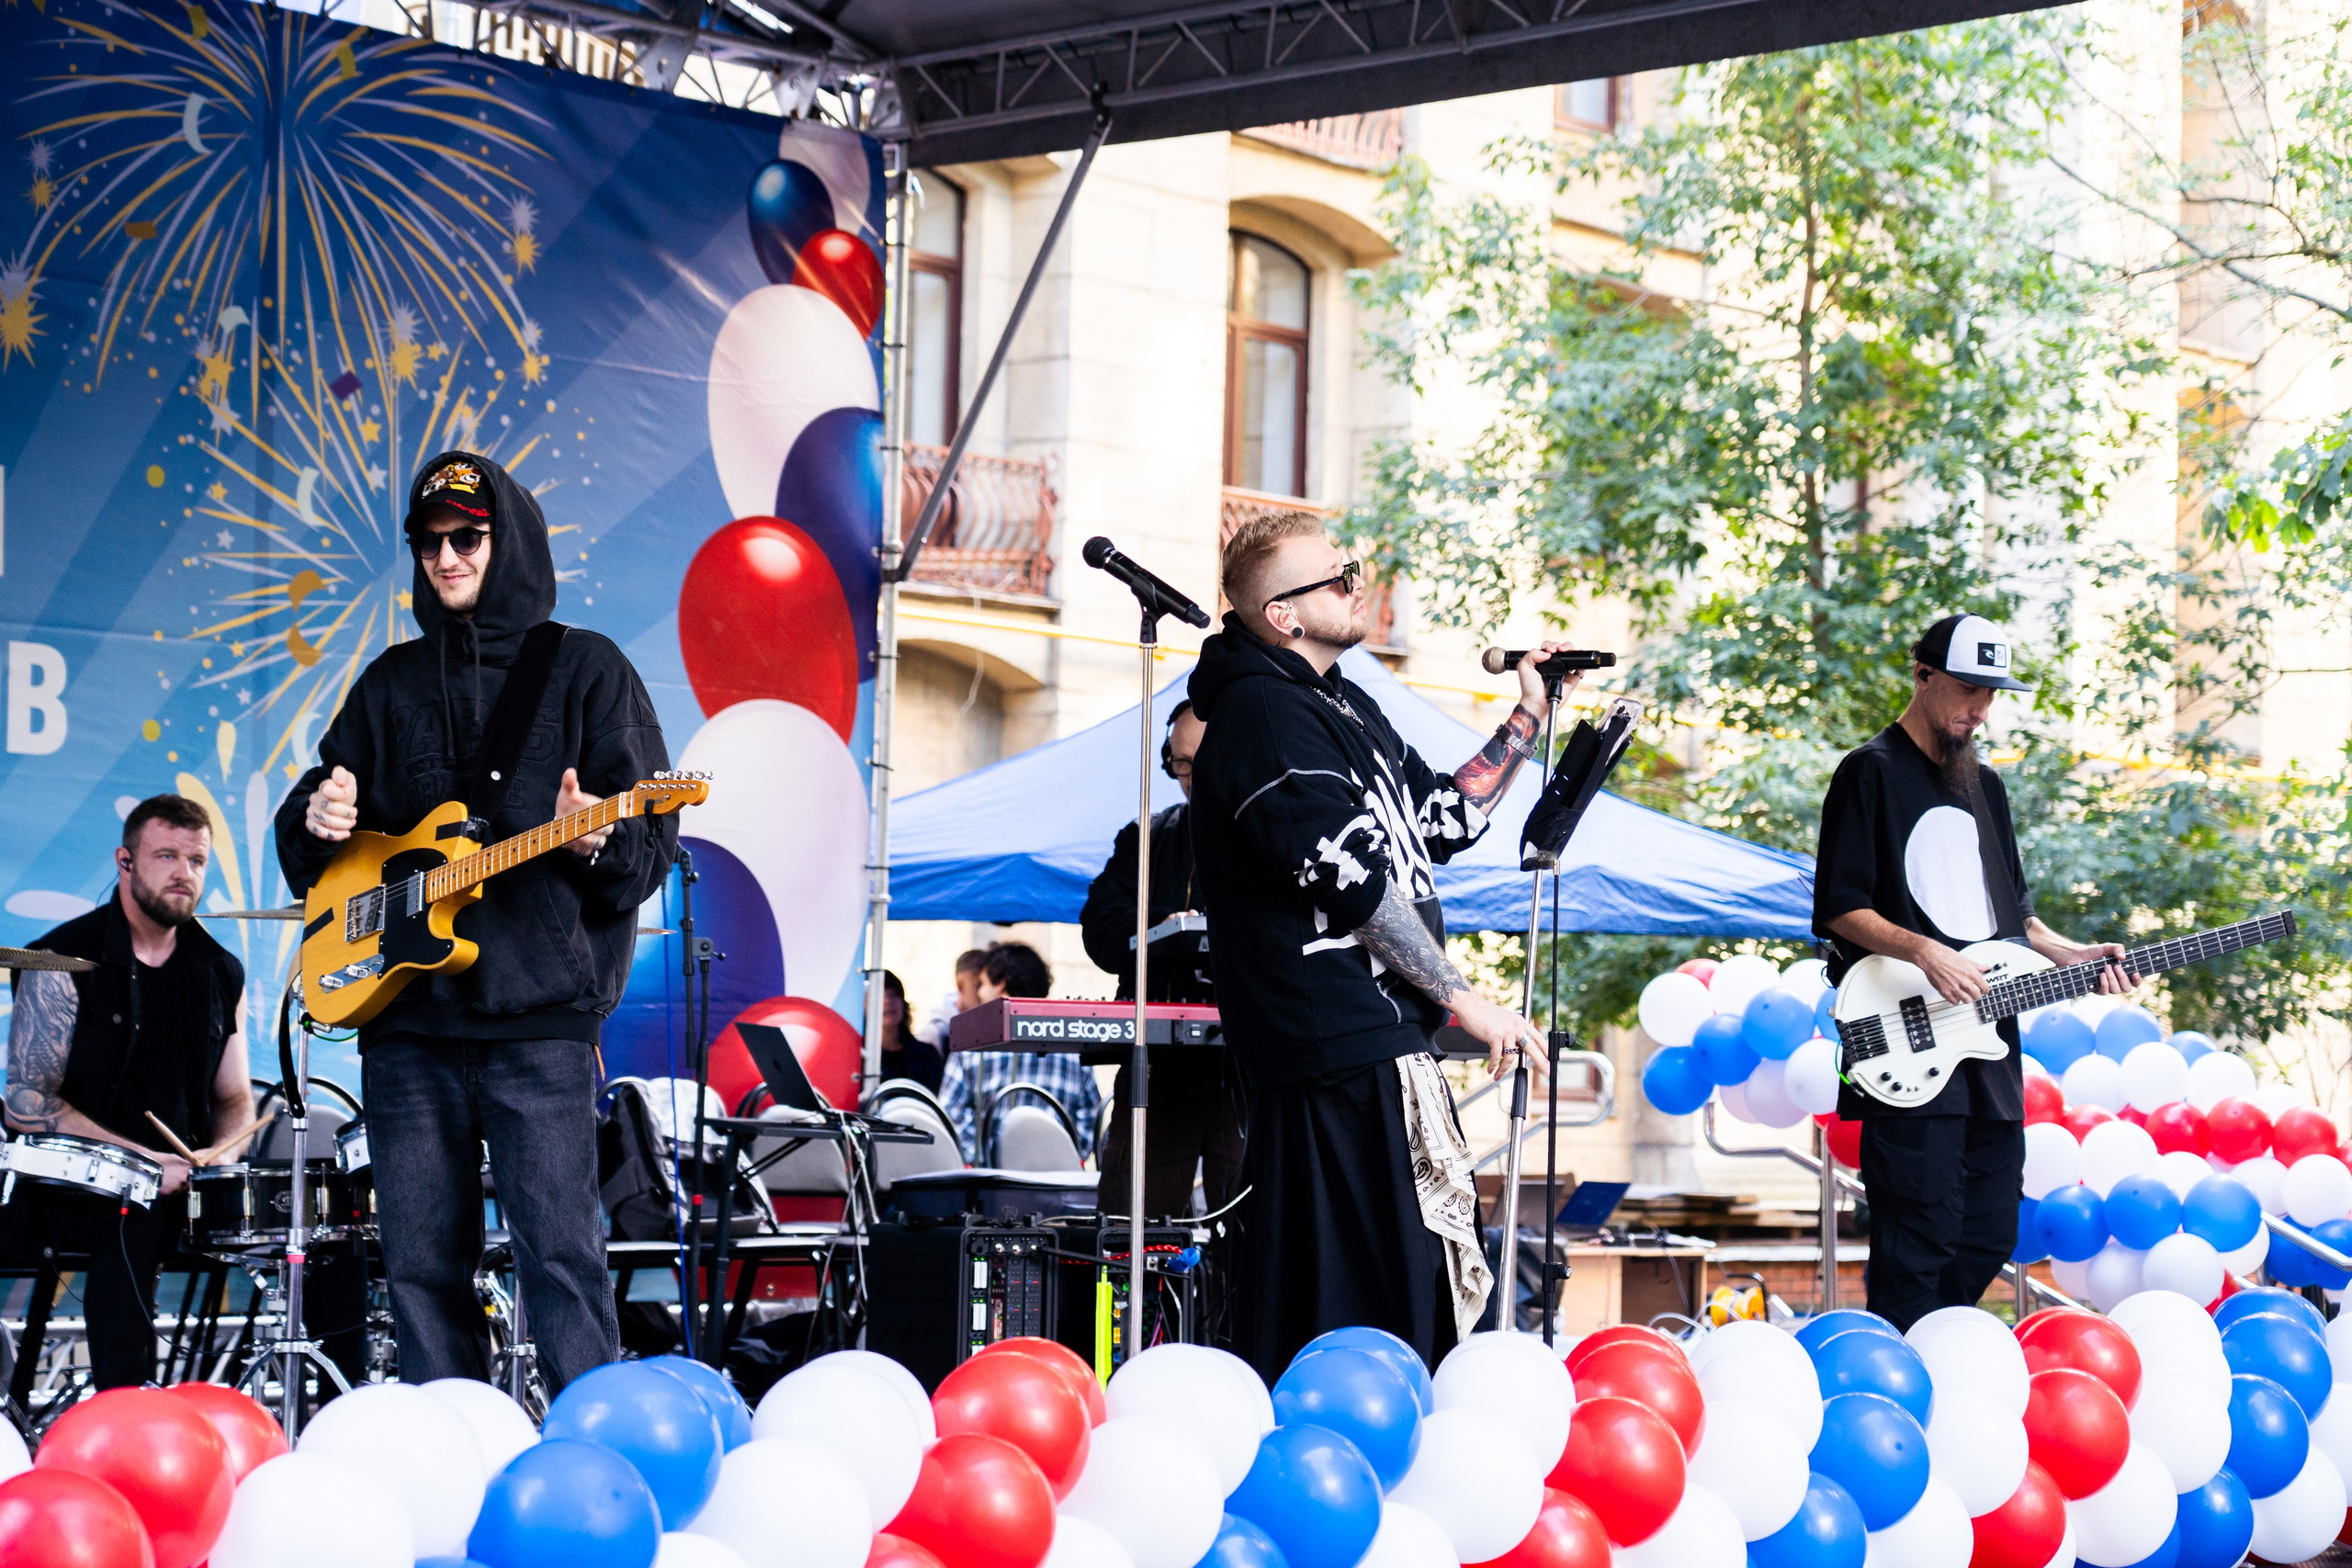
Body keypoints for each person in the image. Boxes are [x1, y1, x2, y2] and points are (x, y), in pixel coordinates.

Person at [275, 450, 676, 1393]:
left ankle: (589, 1454)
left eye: (467, 538)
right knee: (418, 1270)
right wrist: (317, 818)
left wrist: (590, 844)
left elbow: (646, 846)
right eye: (428, 544)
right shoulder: (389, 683)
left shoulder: (586, 669)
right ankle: (444, 1450)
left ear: (512, 540)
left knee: (562, 1259)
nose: (446, 558)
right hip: (408, 1023)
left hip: (537, 1021)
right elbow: (321, 820)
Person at [1187, 511, 1572, 1377]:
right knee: (1362, 1294)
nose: (1356, 582)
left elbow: (1439, 820)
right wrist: (1465, 998)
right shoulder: (1261, 711)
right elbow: (1345, 875)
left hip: (1375, 1038)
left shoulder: (1340, 703)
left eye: (1351, 567)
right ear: (1281, 614)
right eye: (1335, 576)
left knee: (1405, 1281)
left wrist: (1524, 721)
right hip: (1332, 1042)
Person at [1815, 614, 2138, 1330]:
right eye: (1967, 689)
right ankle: (1905, 1372)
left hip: (1989, 1046)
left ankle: (1942, 1344)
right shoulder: (1868, 772)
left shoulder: (1985, 785)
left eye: (1991, 694)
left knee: (1992, 1228)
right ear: (1921, 676)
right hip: (1905, 1035)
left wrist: (2072, 954)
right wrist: (1923, 950)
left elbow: (2014, 919)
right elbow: (1840, 906)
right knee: (1916, 1237)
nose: (1980, 709)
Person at [0, 795, 260, 1388]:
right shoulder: (57, 961)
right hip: (70, 1188)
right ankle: (128, 1407)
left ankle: (328, 1406)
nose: (183, 873)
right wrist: (140, 1161)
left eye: (196, 859)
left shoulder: (221, 970)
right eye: (166, 855)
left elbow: (234, 1101)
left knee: (318, 1229)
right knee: (131, 1209)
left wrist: (219, 1159)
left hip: (185, 1185)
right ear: (124, 862)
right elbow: (27, 1103)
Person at [1081, 699, 1245, 1221]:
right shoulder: (1147, 837)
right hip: (1160, 1067)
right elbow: (1101, 933)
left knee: (1253, 1235)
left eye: (1203, 761)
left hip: (1251, 1068)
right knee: (1136, 1226)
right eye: (1180, 764)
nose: (1191, 777)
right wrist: (1170, 927)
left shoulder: (1278, 835)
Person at [935, 942, 1103, 1165]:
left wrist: (984, 1158)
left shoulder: (973, 1045)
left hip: (994, 1185)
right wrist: (1068, 1156)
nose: (979, 992)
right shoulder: (1072, 1045)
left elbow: (950, 1114)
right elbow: (1092, 1115)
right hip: (1058, 1181)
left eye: (983, 984)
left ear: (1001, 983)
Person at [878, 970, 945, 1091]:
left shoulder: (928, 1055)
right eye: (878, 996)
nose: (887, 1001)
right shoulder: (858, 1059)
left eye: (893, 994)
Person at [919, 949, 989, 1052]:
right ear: (960, 985)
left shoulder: (990, 1027)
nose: (984, 992)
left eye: (989, 985)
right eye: (978, 986)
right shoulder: (934, 1034)